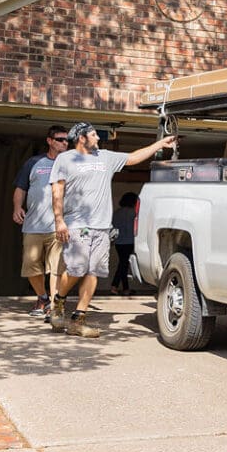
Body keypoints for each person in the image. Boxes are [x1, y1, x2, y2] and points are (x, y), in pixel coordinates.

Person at [49, 123, 176, 337]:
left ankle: (77, 320)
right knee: (75, 270)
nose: (97, 137)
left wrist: (160, 144)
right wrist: (59, 220)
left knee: (93, 271)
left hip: (102, 226)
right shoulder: (65, 159)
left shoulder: (105, 156)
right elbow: (57, 190)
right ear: (81, 138)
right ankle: (59, 301)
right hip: (77, 223)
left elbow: (133, 157)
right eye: (92, 134)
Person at [12, 125, 69, 319]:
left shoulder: (70, 164)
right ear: (50, 141)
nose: (64, 143)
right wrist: (17, 207)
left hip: (59, 227)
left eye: (66, 140)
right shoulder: (33, 163)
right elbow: (21, 188)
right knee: (30, 266)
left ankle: (53, 306)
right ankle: (42, 297)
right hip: (33, 225)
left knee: (56, 268)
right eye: (60, 139)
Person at [110, 192, 138, 296]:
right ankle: (116, 286)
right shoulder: (134, 213)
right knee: (124, 265)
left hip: (119, 242)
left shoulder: (117, 213)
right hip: (130, 241)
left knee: (123, 264)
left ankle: (122, 287)